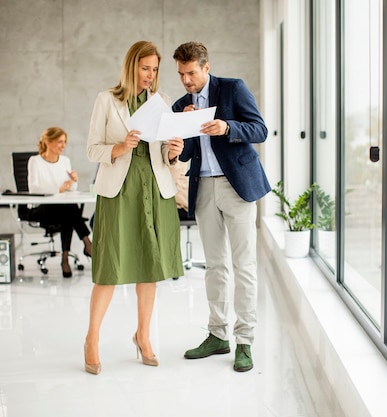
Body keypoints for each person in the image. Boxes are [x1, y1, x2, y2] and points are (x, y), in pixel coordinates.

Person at [83, 41, 184, 375]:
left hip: (154, 190)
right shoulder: (107, 100)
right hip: (118, 191)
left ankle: (143, 335)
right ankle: (92, 340)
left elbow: (165, 156)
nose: (150, 76)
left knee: (150, 267)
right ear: (131, 67)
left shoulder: (161, 101)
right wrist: (119, 146)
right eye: (145, 69)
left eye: (155, 70)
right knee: (109, 267)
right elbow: (91, 150)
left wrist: (173, 149)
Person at [172, 41, 270, 372]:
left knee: (244, 265)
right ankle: (217, 335)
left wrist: (228, 127)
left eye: (191, 73)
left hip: (236, 185)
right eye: (181, 74)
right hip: (202, 187)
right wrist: (178, 140)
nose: (186, 81)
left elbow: (260, 130)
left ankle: (245, 341)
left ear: (206, 67)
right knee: (215, 265)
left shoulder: (232, 89)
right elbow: (183, 154)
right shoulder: (180, 104)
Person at [27, 126, 93, 278]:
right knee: (70, 211)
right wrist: (58, 189)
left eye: (64, 142)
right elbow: (33, 188)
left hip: (64, 209)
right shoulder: (35, 161)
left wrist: (73, 181)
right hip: (43, 208)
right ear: (48, 142)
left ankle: (66, 259)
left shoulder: (65, 161)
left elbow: (71, 190)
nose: (63, 146)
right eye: (59, 142)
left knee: (68, 213)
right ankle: (87, 245)